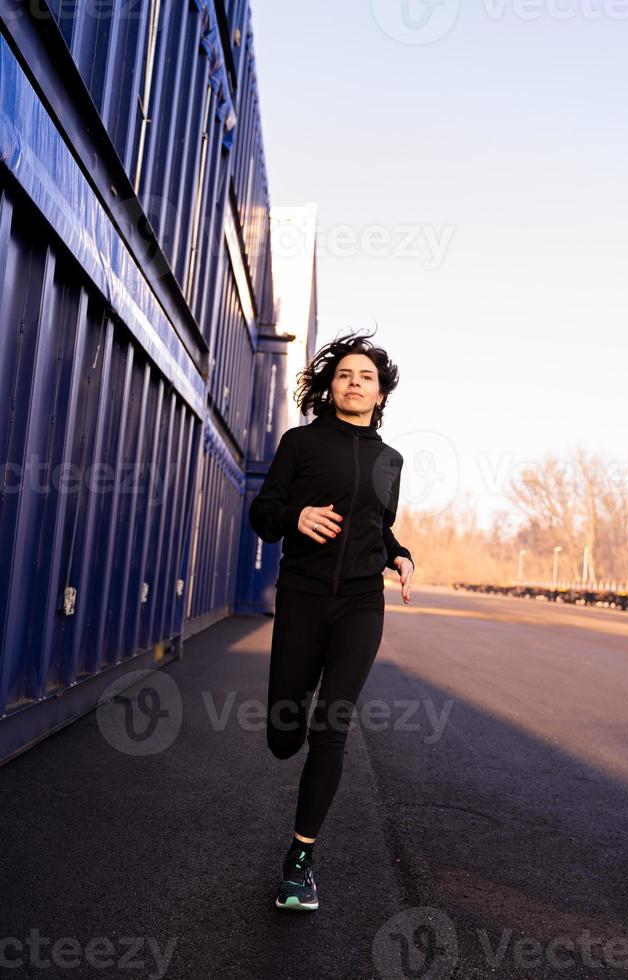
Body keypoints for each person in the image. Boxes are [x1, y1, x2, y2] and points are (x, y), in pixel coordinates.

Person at [248, 329, 414, 911]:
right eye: (344, 374)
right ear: (329, 385)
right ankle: (283, 727)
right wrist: (298, 515)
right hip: (303, 595)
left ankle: (300, 859)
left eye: (365, 376)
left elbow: (379, 525)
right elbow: (264, 515)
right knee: (283, 732)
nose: (354, 382)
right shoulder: (300, 444)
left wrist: (400, 554)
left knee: (332, 724)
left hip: (362, 603)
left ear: (379, 394)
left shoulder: (391, 460)